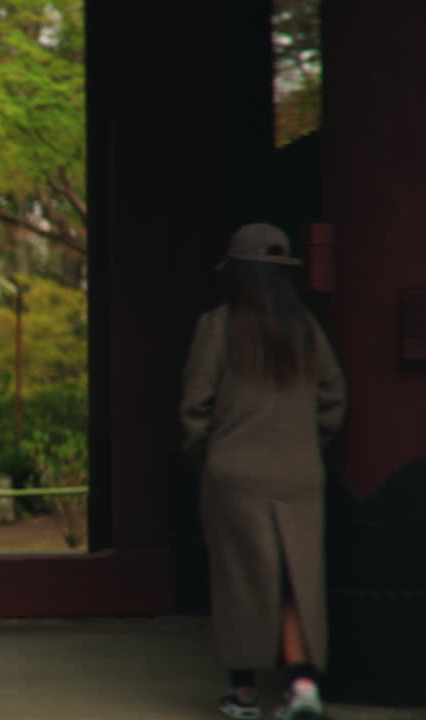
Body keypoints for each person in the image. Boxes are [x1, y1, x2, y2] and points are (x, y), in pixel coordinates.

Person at [181, 223, 346, 720]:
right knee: (299, 576)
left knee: (243, 580)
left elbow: (195, 407)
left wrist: (206, 454)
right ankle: (301, 686)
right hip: (299, 472)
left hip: (236, 475)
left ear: (237, 274)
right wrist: (304, 445)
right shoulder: (306, 329)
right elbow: (333, 400)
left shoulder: (217, 326)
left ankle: (245, 694)